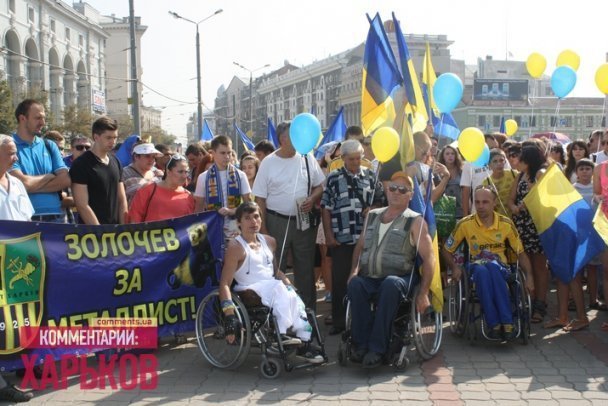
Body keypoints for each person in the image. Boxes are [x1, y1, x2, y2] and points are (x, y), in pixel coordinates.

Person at [347, 171, 434, 368]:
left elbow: (429, 258)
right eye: (393, 188)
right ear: (387, 190)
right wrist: (353, 271)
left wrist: (424, 292)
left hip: (400, 278)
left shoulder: (416, 221)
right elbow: (360, 247)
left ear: (410, 195)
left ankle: (377, 348)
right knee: (355, 285)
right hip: (370, 276)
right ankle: (361, 344)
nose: (396, 192)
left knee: (390, 284)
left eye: (402, 190)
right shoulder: (372, 216)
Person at [218, 201, 323, 363]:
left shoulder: (269, 241)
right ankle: (281, 333)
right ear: (239, 222)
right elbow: (224, 283)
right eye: (247, 218)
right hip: (248, 289)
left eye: (256, 217)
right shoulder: (235, 247)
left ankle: (304, 340)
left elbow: (276, 272)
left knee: (293, 297)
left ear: (261, 219)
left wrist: (290, 286)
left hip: (272, 286)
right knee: (279, 289)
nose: (253, 222)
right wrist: (229, 314)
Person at [444, 186, 534, 340]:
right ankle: (501, 323)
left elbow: (520, 253)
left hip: (501, 267)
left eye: (485, 202)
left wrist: (529, 276)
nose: (480, 206)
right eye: (477, 202)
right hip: (476, 267)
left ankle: (500, 323)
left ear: (494, 203)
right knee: (482, 271)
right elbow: (446, 250)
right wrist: (454, 267)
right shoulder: (465, 224)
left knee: (491, 267)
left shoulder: (506, 224)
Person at [252, 121, 325, 311]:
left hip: (303, 222)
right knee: (276, 267)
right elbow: (259, 198)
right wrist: (264, 229)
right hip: (276, 221)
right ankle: (278, 312)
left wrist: (312, 198)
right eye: (295, 135)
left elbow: (320, 186)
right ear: (282, 139)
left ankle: (307, 312)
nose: (301, 139)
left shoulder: (307, 156)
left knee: (305, 268)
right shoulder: (268, 162)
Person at [321, 140, 384, 335]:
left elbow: (381, 201)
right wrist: (329, 235)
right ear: (343, 158)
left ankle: (361, 320)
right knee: (340, 280)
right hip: (342, 237)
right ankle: (340, 321)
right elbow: (325, 208)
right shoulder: (333, 178)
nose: (356, 162)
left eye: (358, 158)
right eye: (352, 159)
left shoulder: (371, 176)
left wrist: (373, 208)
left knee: (364, 279)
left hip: (366, 238)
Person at [0, 134, 34, 402]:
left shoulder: (17, 184)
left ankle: (24, 363)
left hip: (18, 262)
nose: (16, 158)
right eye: (11, 153)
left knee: (18, 316)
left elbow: (28, 220)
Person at [10, 99, 70, 223]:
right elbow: (22, 184)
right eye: (38, 118)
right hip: (25, 219)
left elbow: (65, 180)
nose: (43, 123)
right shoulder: (9, 147)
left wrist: (31, 187)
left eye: (43, 118)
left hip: (56, 217)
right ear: (22, 118)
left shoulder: (49, 145)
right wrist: (49, 176)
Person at [508, 145, 549, 323]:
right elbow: (510, 199)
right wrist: (513, 207)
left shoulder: (541, 173)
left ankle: (540, 304)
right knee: (526, 265)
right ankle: (529, 302)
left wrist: (526, 204)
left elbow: (542, 196)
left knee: (539, 266)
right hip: (521, 225)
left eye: (522, 158)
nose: (518, 161)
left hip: (536, 225)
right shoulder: (519, 176)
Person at [70, 116, 128, 225]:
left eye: (115, 137)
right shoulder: (81, 164)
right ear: (96, 137)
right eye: (108, 138)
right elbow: (82, 205)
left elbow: (122, 200)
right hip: (92, 232)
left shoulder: (116, 161)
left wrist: (123, 228)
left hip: (116, 231)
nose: (113, 142)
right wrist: (99, 231)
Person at [194, 135, 251, 243]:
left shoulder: (241, 175)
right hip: (212, 229)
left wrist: (232, 211)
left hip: (236, 229)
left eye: (229, 152)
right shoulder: (203, 177)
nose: (227, 156)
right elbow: (199, 209)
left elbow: (248, 205)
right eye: (223, 153)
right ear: (213, 153)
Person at [129, 154, 195, 223]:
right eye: (180, 172)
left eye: (186, 172)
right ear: (168, 172)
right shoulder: (148, 189)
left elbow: (190, 224)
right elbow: (134, 219)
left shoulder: (188, 196)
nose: (184, 176)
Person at [593, 159, 608, 331]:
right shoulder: (600, 168)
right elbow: (596, 193)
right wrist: (599, 198)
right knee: (606, 271)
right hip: (605, 224)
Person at [482, 149, 518, 218]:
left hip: (516, 216)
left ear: (505, 162)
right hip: (499, 219)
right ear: (489, 165)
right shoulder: (486, 182)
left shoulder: (514, 174)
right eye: (495, 161)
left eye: (501, 160)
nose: (499, 164)